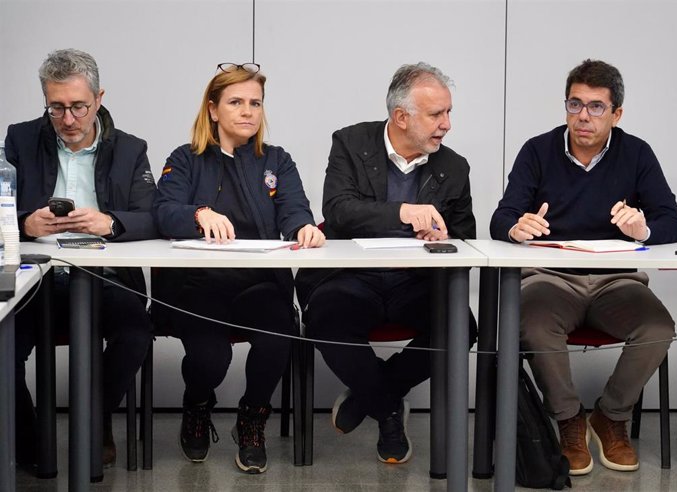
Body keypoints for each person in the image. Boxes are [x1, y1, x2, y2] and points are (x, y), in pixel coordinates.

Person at [490, 59, 677, 475]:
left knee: (658, 328)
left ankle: (611, 417)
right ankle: (568, 420)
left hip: (616, 281)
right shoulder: (537, 150)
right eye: (575, 104)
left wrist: (644, 228)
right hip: (551, 280)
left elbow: (673, 222)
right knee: (536, 324)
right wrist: (516, 226)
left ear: (617, 114)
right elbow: (500, 217)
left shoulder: (636, 153)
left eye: (596, 107)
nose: (583, 116)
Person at [295, 62, 477, 464]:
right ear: (401, 117)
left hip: (414, 280)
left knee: (461, 324)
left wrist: (445, 236)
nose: (446, 124)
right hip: (352, 276)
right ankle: (389, 411)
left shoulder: (454, 166)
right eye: (436, 114)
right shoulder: (350, 142)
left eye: (448, 112)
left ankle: (374, 397)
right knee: (328, 318)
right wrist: (402, 213)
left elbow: (465, 232)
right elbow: (338, 210)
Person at [152, 63, 324, 474]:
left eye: (255, 103)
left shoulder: (277, 161)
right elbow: (161, 211)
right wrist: (198, 214)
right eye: (235, 102)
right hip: (199, 285)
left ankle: (252, 418)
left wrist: (304, 227)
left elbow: (296, 210)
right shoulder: (185, 158)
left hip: (259, 283)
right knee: (211, 359)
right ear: (213, 109)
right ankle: (197, 403)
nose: (248, 111)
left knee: (277, 333)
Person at [6, 48, 157, 468]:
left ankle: (94, 416)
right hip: (35, 278)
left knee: (135, 333)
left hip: (104, 275)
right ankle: (30, 437)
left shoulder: (129, 149)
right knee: (2, 341)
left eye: (78, 107)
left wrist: (110, 222)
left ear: (99, 98)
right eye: (56, 108)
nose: (68, 120)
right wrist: (25, 223)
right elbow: (1, 209)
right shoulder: (20, 138)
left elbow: (153, 216)